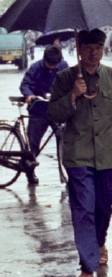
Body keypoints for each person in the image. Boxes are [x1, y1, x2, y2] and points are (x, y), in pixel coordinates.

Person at [47, 29, 112, 277]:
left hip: (109, 154)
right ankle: (87, 264)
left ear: (103, 48)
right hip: (79, 156)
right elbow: (54, 113)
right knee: (83, 208)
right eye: (87, 47)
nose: (93, 52)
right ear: (79, 49)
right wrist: (73, 95)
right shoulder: (66, 78)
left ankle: (99, 242)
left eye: (97, 47)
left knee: (104, 205)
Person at [18, 45, 68, 184]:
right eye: (49, 65)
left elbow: (71, 84)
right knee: (33, 145)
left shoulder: (64, 66)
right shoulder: (35, 68)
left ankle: (64, 174)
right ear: (44, 60)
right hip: (38, 111)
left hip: (57, 111)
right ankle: (30, 173)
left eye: (55, 65)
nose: (52, 67)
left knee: (64, 142)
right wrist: (29, 95)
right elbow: (25, 85)